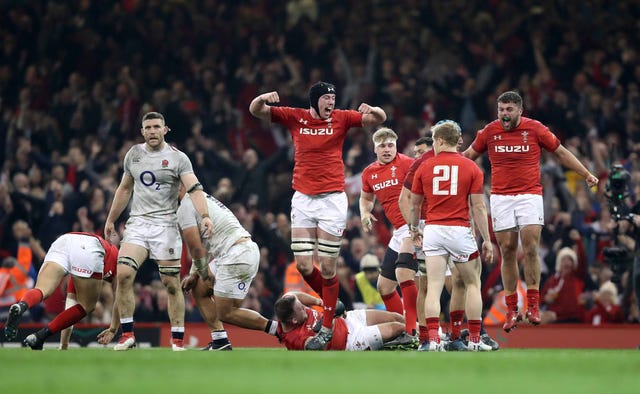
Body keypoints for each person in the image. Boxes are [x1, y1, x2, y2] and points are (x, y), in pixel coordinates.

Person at [249, 81, 386, 349]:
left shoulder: (342, 118)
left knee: (327, 267)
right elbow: (256, 110)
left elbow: (379, 118)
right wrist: (263, 95)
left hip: (332, 201)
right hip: (302, 199)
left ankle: (326, 323)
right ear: (314, 100)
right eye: (326, 99)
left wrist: (375, 109)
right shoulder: (295, 117)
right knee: (302, 265)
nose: (331, 103)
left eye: (333, 99)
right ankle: (332, 302)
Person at [463, 91, 599, 332]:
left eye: (509, 110)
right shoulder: (489, 132)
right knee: (507, 250)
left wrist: (586, 174)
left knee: (531, 247)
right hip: (501, 197)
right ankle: (512, 308)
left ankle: (533, 305)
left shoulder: (535, 129)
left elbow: (561, 152)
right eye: (501, 110)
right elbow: (468, 157)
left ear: (519, 111)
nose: (504, 114)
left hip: (529, 195)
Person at [103, 111, 214, 351]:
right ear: (142, 131)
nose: (152, 131)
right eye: (148, 127)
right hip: (138, 223)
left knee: (171, 283)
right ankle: (128, 335)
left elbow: (194, 188)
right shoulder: (133, 154)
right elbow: (124, 189)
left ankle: (177, 341)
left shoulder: (178, 158)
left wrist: (204, 216)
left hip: (166, 225)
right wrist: (111, 219)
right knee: (123, 275)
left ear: (165, 130)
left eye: (156, 127)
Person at [399, 130, 498, 351]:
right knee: (473, 284)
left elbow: (414, 205)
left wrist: (414, 229)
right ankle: (474, 340)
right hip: (459, 230)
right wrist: (487, 239)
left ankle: (433, 341)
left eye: (434, 140)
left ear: (441, 140)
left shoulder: (425, 167)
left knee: (433, 286)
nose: (432, 144)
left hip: (433, 230)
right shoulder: (471, 167)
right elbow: (479, 207)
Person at [177, 184, 279, 350]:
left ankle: (278, 330)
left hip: (236, 254)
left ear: (179, 186)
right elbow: (202, 246)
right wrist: (195, 275)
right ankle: (220, 341)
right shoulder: (201, 199)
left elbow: (195, 247)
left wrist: (202, 273)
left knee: (227, 312)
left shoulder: (185, 207)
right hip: (236, 251)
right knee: (199, 289)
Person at [4, 232, 119, 350]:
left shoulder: (82, 272)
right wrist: (113, 328)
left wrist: (63, 346)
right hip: (89, 247)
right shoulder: (117, 259)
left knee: (41, 290)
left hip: (63, 242)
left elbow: (70, 305)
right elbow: (120, 298)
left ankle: (21, 306)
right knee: (87, 306)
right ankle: (40, 336)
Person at [359, 127, 417, 334]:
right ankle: (403, 326)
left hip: (415, 227)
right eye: (382, 146)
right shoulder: (369, 173)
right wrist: (365, 213)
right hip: (399, 231)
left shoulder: (409, 164)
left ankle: (412, 330)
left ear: (396, 146)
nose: (387, 149)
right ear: (374, 148)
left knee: (406, 276)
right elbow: (365, 198)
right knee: (384, 287)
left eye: (390, 145)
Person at [274, 291, 414, 351]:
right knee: (397, 327)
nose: (305, 309)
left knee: (395, 316)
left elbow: (293, 295)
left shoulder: (289, 306)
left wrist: (320, 302)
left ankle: (428, 334)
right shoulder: (295, 338)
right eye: (302, 310)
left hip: (348, 319)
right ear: (293, 320)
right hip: (351, 340)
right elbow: (315, 346)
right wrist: (330, 318)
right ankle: (430, 338)